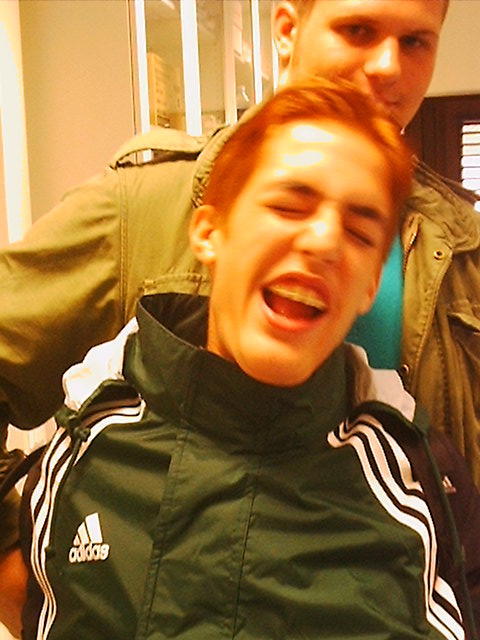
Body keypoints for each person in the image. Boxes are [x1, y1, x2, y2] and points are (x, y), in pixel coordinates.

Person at [2, 0, 480, 615]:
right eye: (357, 29)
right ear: (287, 30)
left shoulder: (461, 251)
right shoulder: (144, 209)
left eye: (415, 42)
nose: (389, 66)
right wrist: (13, 561)